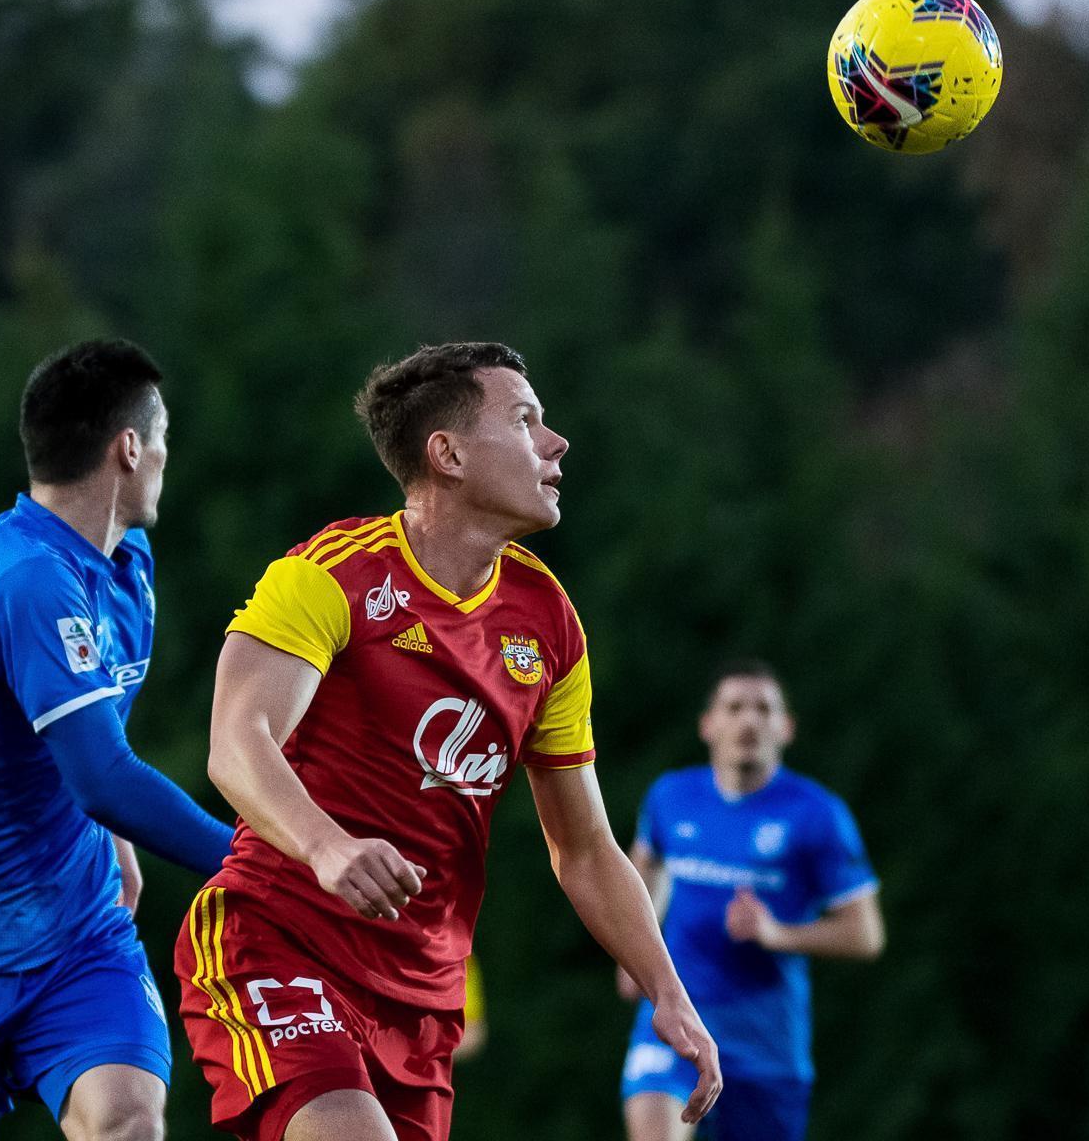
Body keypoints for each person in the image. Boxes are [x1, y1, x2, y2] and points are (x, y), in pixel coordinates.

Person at [176, 341, 719, 1141]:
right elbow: (236, 742)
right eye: (525, 420)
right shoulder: (331, 575)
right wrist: (328, 848)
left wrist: (668, 991)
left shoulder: (547, 619)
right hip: (277, 941)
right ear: (449, 454)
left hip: (425, 999)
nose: (557, 442)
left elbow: (584, 848)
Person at [0, 339, 235, 1141]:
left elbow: (84, 737)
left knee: (128, 1121)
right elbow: (103, 778)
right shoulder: (27, 577)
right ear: (129, 448)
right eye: (162, 436)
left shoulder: (125, 561)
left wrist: (112, 838)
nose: (168, 455)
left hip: (77, 935)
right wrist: (263, 865)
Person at [618, 661, 885, 1141]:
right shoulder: (670, 797)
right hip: (678, 1015)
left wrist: (777, 934)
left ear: (786, 728)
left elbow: (865, 934)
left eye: (764, 709)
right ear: (708, 725)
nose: (748, 720)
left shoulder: (817, 814)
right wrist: (632, 952)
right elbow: (645, 870)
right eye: (734, 707)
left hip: (764, 1038)